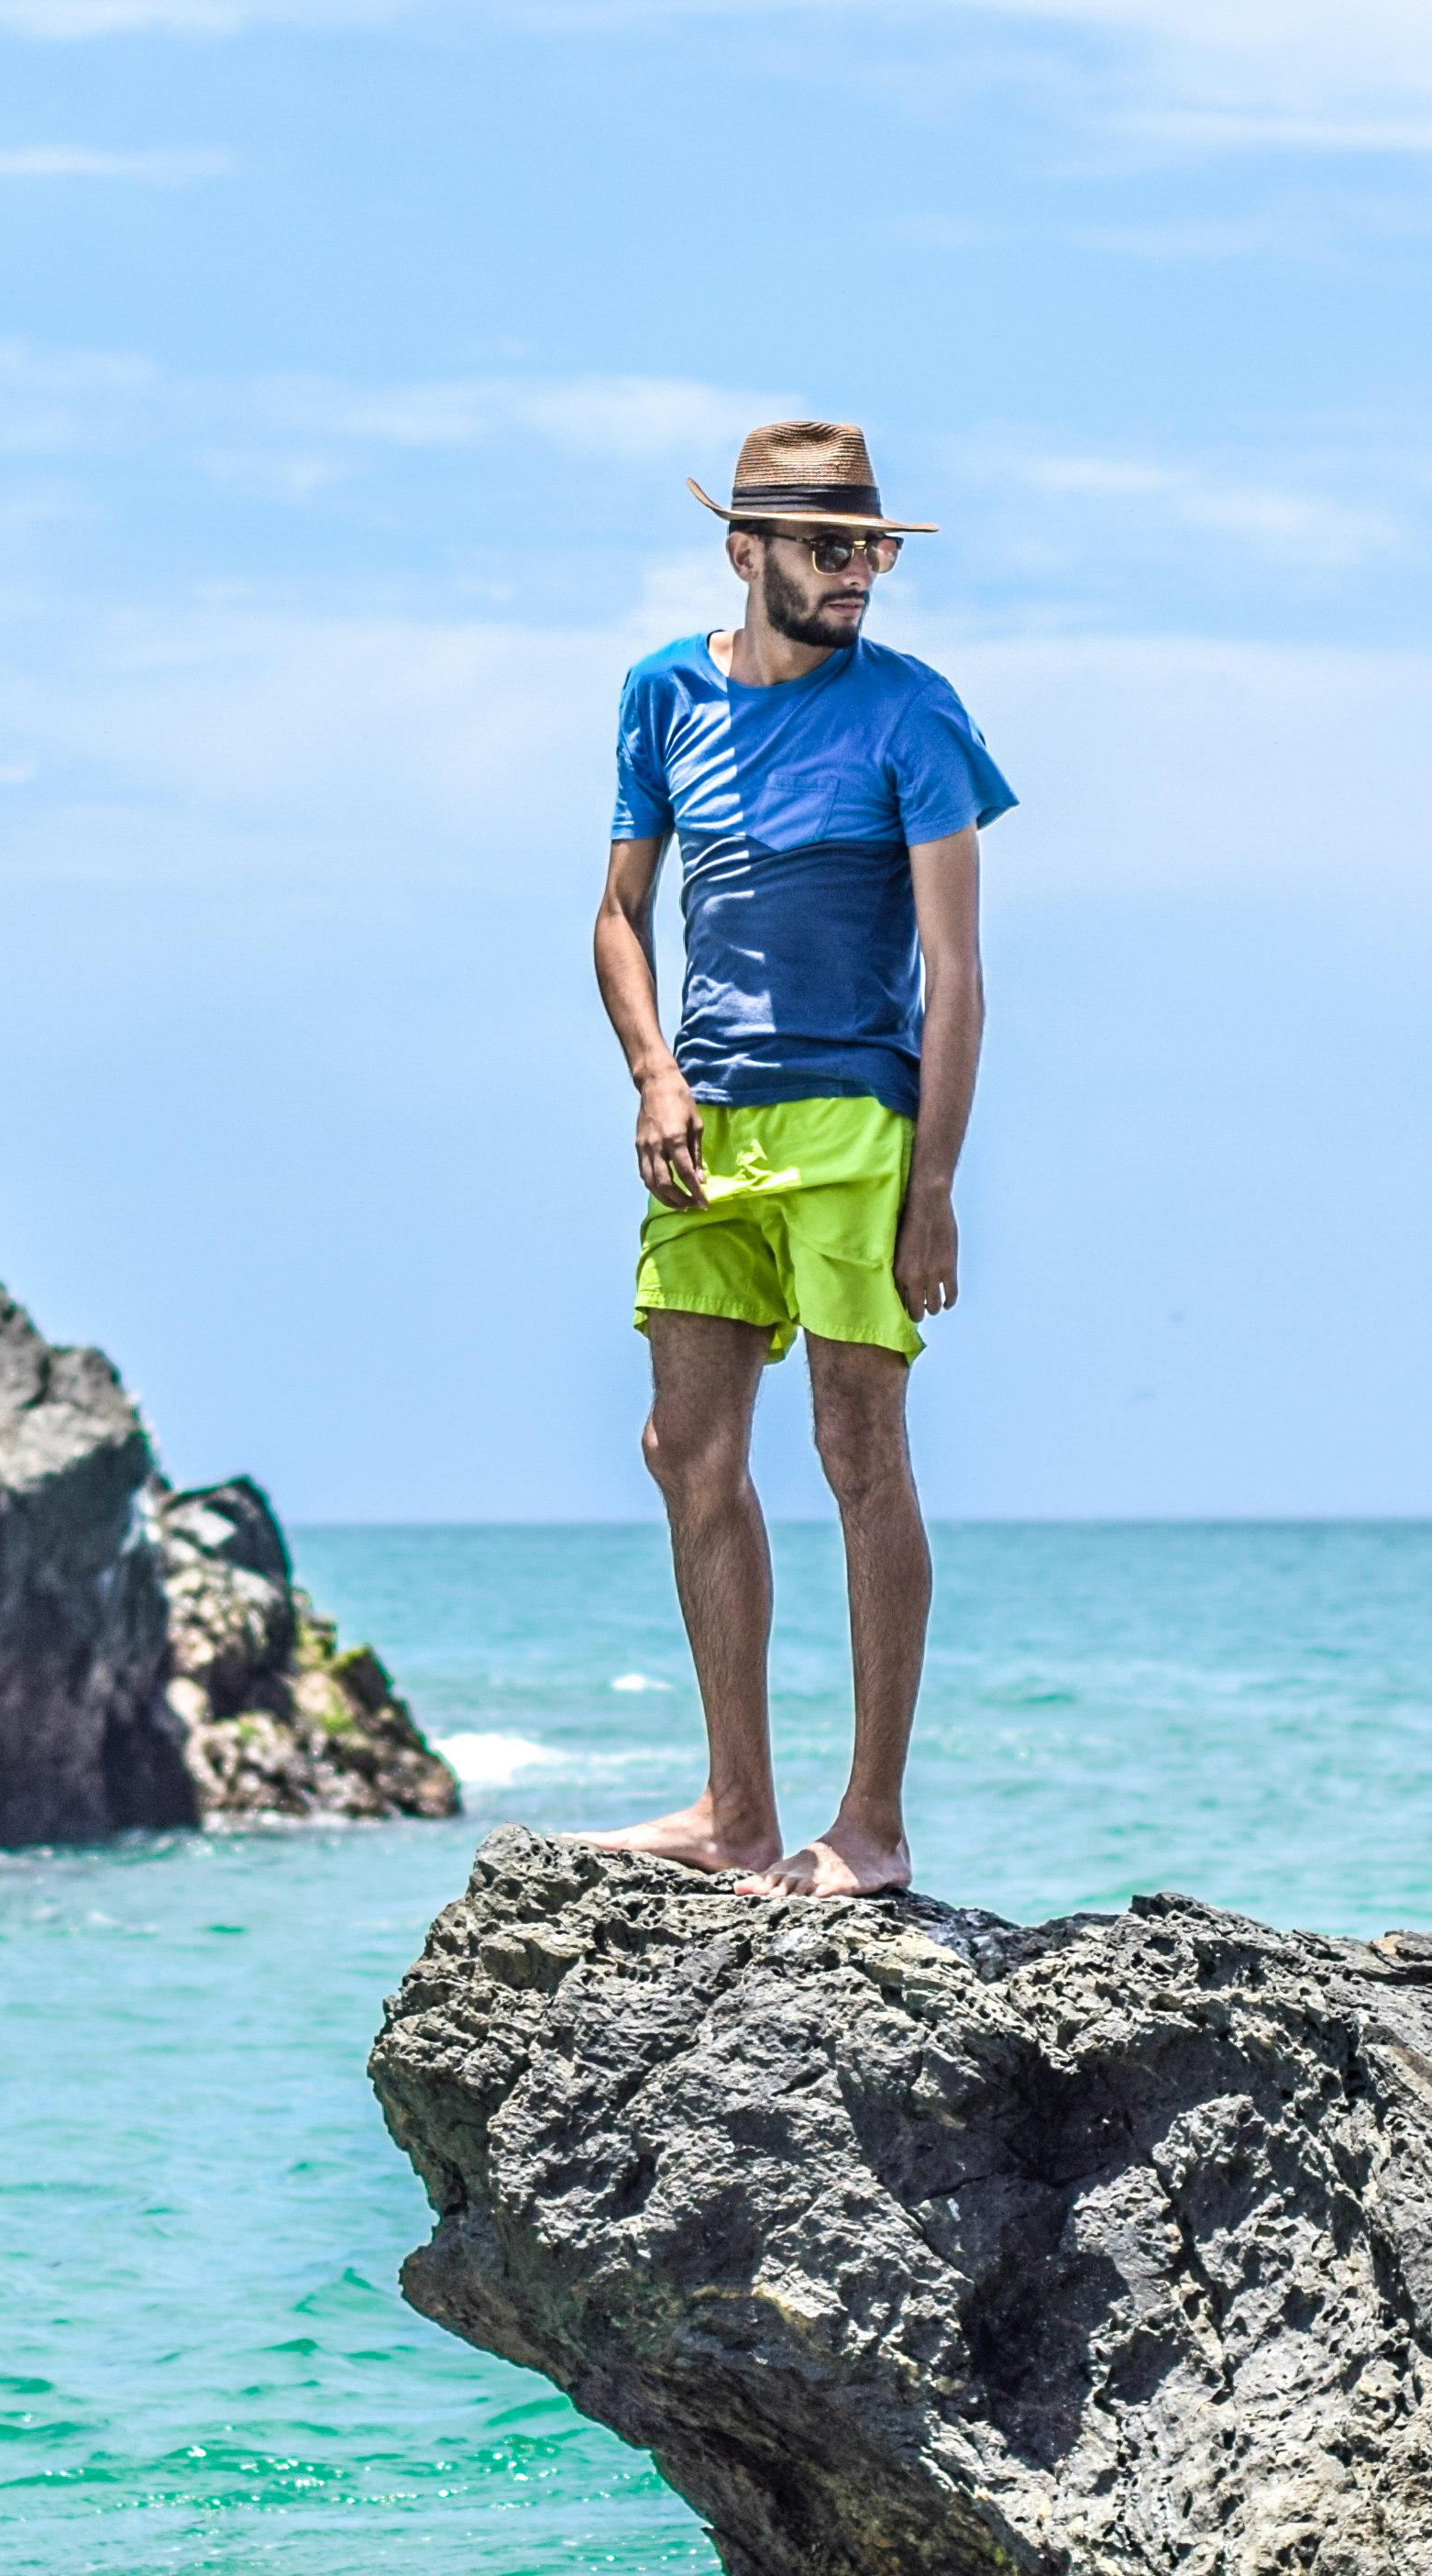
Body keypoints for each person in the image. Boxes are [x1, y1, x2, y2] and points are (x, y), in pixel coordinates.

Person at [578, 419, 1013, 1899]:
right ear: (744, 549)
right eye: (832, 547)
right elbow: (620, 912)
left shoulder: (915, 714)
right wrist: (655, 1073)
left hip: (853, 1123)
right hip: (706, 1126)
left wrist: (936, 1186)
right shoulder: (662, 695)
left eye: (875, 549)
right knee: (683, 1453)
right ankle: (735, 1816)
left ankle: (872, 1826)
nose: (860, 575)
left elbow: (955, 972)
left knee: (854, 1450)